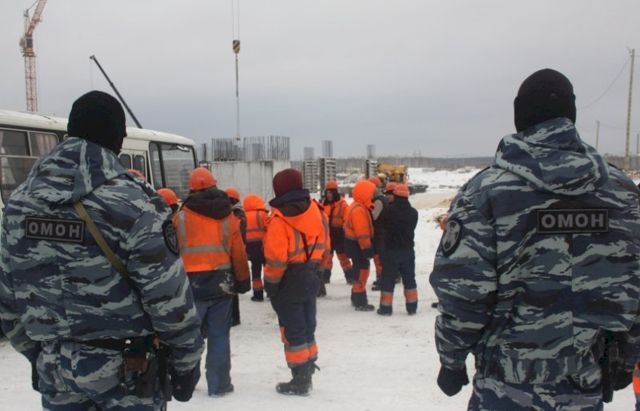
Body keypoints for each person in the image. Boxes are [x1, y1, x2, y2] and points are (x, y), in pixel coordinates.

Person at [430, 69, 640, 410]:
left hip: (505, 387)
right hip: (584, 383)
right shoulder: (622, 193)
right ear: (571, 113)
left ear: (520, 114)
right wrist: (627, 355)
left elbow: (464, 290)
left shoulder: (485, 193)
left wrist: (451, 358)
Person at [0, 91, 204, 409]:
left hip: (56, 370)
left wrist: (41, 354)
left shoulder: (20, 203)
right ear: (118, 138)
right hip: (130, 374)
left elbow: (8, 297)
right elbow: (169, 298)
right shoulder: (135, 203)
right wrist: (186, 363)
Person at [174, 168, 251, 397]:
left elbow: (170, 254)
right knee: (219, 335)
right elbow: (239, 252)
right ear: (214, 186)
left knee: (191, 337)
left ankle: (188, 382)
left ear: (191, 189)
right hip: (221, 285)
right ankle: (219, 385)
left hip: (190, 286)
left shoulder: (180, 218)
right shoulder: (229, 216)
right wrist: (243, 280)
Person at [263, 169, 327, 395]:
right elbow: (325, 245)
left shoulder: (278, 219)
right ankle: (308, 368)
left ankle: (300, 380)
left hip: (288, 280)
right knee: (308, 325)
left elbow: (276, 260)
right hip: (310, 274)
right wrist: (317, 270)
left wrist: (271, 285)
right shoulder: (316, 211)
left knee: (293, 329)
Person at [377, 184, 418, 316]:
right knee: (409, 280)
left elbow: (381, 226)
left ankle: (385, 308)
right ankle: (412, 307)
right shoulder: (414, 213)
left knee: (388, 280)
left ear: (395, 195)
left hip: (391, 251)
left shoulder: (388, 211)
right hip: (408, 251)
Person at [344, 179, 377, 311]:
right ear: (365, 193)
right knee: (361, 272)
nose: (373, 195)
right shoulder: (359, 210)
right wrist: (367, 248)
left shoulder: (357, 206)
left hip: (354, 246)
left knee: (358, 271)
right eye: (371, 192)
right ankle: (360, 302)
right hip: (358, 247)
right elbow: (362, 233)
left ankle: (355, 297)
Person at [322, 180, 355, 284]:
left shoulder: (343, 205)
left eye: (330, 193)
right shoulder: (323, 204)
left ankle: (350, 277)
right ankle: (325, 278)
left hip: (339, 235)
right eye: (327, 193)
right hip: (328, 235)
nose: (328, 195)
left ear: (335, 193)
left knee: (343, 258)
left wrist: (345, 232)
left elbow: (347, 219)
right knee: (327, 258)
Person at [224, 187, 246, 326]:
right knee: (232, 287)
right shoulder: (239, 214)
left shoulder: (234, 215)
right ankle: (234, 317)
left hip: (233, 252)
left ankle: (234, 317)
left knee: (231, 287)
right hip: (236, 251)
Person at [243, 193, 269, 302]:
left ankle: (257, 294)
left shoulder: (243, 216)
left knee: (255, 270)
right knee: (268, 269)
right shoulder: (263, 214)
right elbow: (270, 228)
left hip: (251, 247)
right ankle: (270, 291)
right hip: (263, 246)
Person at [369, 176, 389, 291]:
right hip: (382, 233)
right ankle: (380, 279)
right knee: (379, 258)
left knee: (380, 259)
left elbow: (373, 217)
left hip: (380, 234)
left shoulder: (378, 201)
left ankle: (382, 281)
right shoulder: (382, 199)